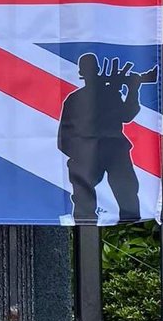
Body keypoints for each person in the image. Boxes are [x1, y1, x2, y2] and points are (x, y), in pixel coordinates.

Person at [58, 53, 153, 223]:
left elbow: (127, 115)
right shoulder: (76, 99)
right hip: (93, 152)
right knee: (85, 201)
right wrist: (80, 155)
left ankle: (131, 228)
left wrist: (132, 90)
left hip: (114, 150)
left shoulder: (105, 93)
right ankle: (88, 229)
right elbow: (63, 138)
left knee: (127, 194)